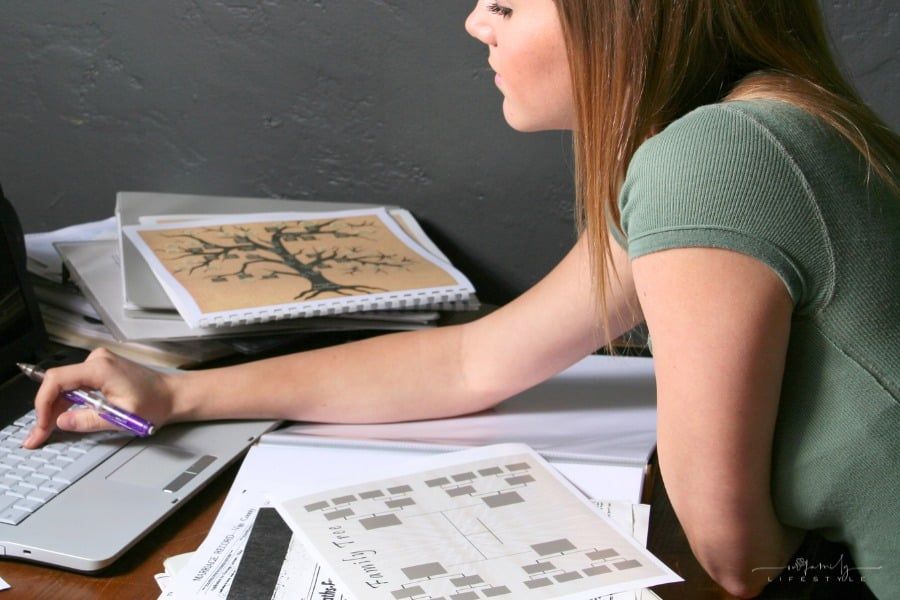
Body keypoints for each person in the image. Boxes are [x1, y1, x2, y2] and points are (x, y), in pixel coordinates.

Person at [25, 1, 898, 597]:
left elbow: (734, 554)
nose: (475, 21)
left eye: (510, 4)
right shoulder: (748, 126)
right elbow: (474, 359)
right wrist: (176, 392)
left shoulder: (709, 161)